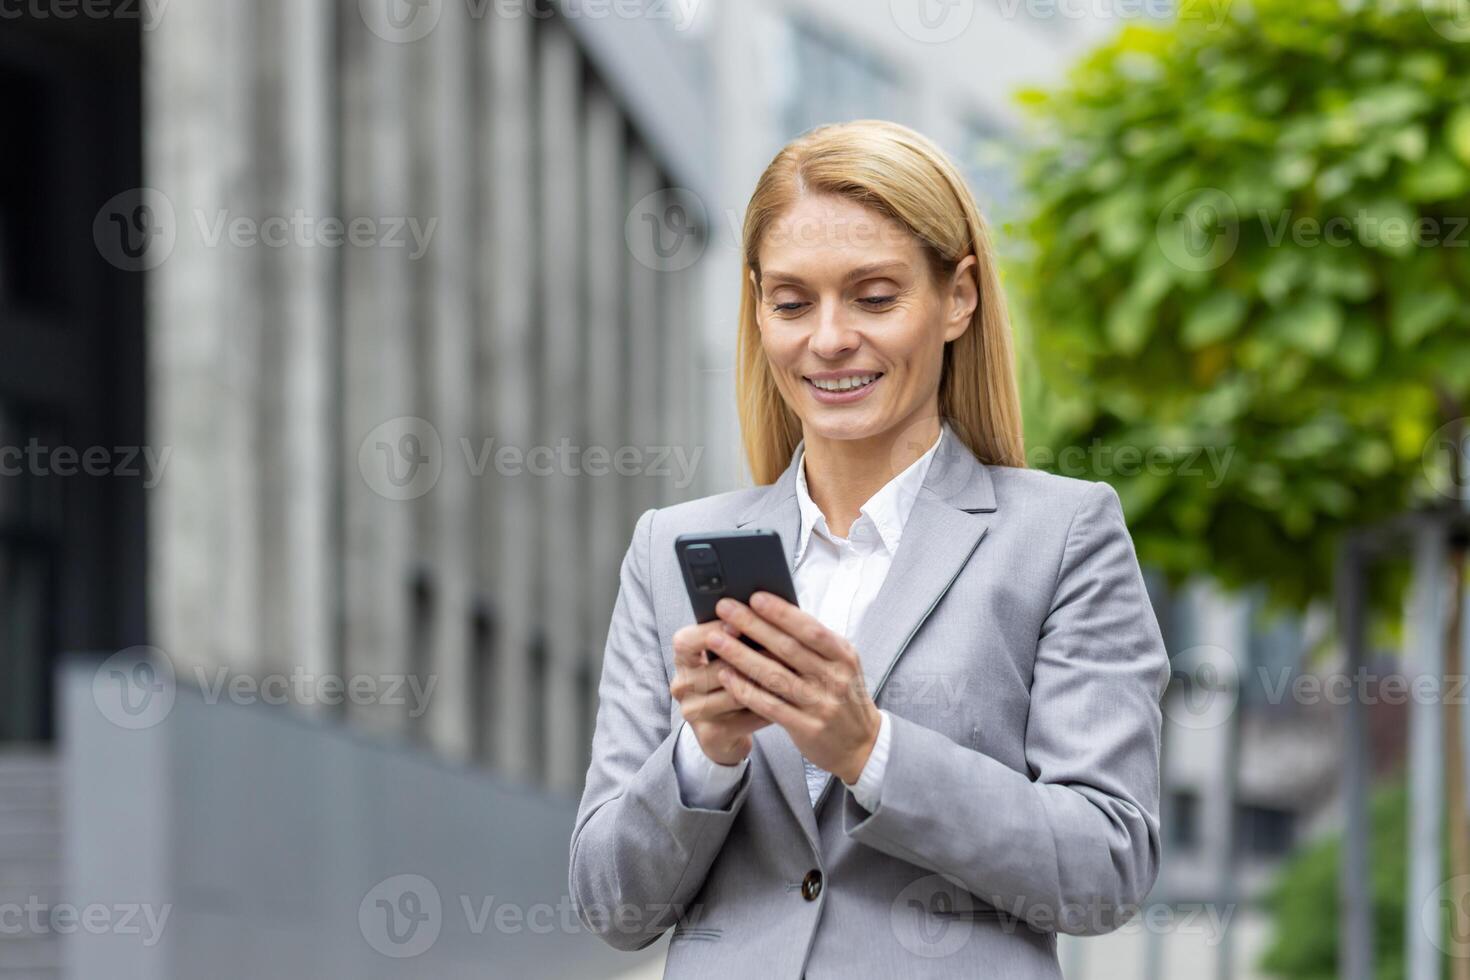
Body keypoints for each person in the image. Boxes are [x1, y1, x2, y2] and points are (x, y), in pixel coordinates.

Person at [569, 119, 1171, 978]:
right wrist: (704, 755)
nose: (828, 339)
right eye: (791, 302)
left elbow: (1106, 868)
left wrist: (868, 749)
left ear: (957, 296)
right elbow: (611, 905)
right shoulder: (669, 549)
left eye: (875, 297)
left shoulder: (1061, 536)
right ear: (757, 308)